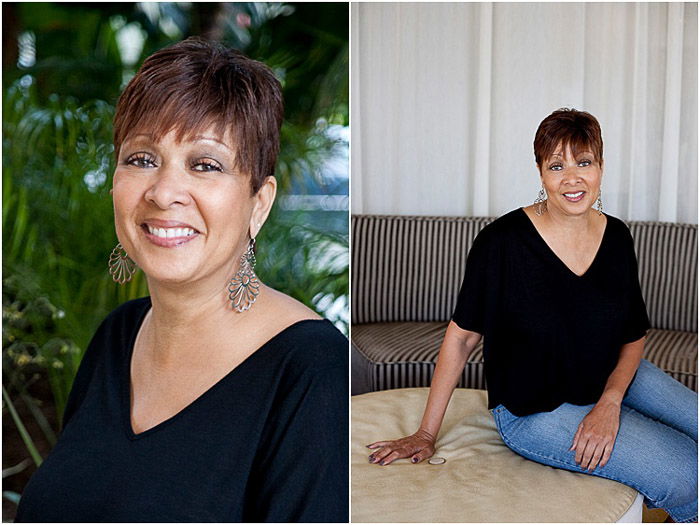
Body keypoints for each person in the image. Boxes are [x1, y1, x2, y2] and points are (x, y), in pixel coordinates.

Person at [16, 37, 348, 523]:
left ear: (259, 202)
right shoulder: (119, 334)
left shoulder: (311, 371)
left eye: (205, 165)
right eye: (142, 159)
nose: (165, 192)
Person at [366, 109, 697, 522]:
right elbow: (462, 338)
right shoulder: (501, 243)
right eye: (557, 165)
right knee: (688, 471)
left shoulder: (617, 237)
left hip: (615, 377)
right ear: (541, 173)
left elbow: (633, 335)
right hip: (536, 412)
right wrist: (426, 433)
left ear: (601, 166)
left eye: (584, 162)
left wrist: (610, 402)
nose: (572, 178)